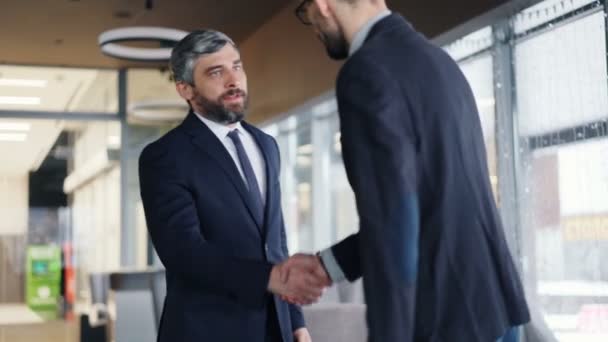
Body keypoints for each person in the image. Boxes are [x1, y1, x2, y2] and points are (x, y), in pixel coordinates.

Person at [284, 0, 532, 341]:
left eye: (305, 10)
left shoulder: (366, 71)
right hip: (496, 309)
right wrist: (328, 265)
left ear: (323, 4)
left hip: (447, 321)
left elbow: (393, 224)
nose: (310, 23)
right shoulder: (439, 61)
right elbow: (427, 205)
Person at [139, 29, 323, 342]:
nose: (233, 80)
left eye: (237, 67)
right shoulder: (165, 156)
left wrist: (295, 320)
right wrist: (270, 278)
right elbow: (185, 254)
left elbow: (274, 240)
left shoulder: (267, 145)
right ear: (185, 89)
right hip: (207, 330)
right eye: (216, 72)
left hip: (274, 328)